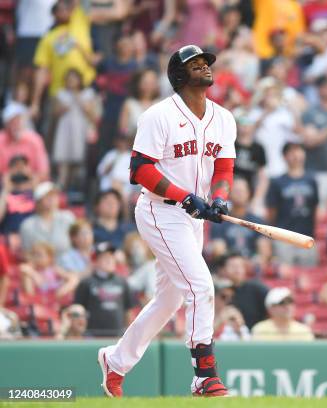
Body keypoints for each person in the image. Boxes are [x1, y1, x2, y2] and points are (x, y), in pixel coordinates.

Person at [97, 45, 235, 398]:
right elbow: (140, 169)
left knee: (169, 300)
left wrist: (219, 198)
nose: (204, 66)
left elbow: (223, 168)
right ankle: (204, 374)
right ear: (178, 75)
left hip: (192, 218)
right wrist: (186, 196)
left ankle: (116, 361)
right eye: (195, 64)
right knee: (201, 286)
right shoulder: (157, 115)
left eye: (206, 62)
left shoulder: (224, 118)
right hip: (160, 211)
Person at [30, 0, 96, 120]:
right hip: (59, 93)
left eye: (67, 7)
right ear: (54, 14)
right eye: (60, 9)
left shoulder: (80, 21)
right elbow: (41, 70)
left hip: (84, 90)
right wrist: (35, 102)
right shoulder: (48, 38)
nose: (65, 10)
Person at [266, 143, 319, 266]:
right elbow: (271, 211)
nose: (295, 155)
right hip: (284, 237)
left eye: (298, 151)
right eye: (291, 152)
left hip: (306, 236)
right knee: (285, 275)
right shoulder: (277, 182)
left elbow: (315, 208)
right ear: (284, 157)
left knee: (309, 277)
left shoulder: (312, 180)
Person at [74, 242, 135, 338]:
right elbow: (78, 310)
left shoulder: (122, 282)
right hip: (93, 336)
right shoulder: (86, 283)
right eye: (104, 257)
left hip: (118, 335)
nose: (109, 260)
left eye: (111, 257)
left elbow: (128, 310)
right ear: (95, 261)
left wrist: (128, 333)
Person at [52, 68, 100, 191]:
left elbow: (92, 115)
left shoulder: (87, 93)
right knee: (64, 158)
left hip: (81, 128)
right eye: (69, 79)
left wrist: (78, 99)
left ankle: (77, 188)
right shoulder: (61, 93)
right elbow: (55, 113)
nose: (71, 81)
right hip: (65, 129)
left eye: (74, 79)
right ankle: (62, 185)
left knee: (80, 158)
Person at [210, 178, 264, 259]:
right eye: (236, 191)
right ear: (229, 194)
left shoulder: (258, 221)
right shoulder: (220, 220)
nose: (239, 194)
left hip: (251, 265)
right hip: (229, 265)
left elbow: (264, 249)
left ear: (249, 194)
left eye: (242, 191)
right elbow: (218, 249)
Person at [19, 182, 75, 254]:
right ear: (38, 201)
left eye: (54, 195)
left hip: (67, 264)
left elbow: (77, 246)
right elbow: (26, 253)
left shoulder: (68, 218)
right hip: (39, 264)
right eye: (47, 196)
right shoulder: (28, 225)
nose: (52, 199)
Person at [219, 252, 269, 330]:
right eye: (232, 266)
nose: (237, 269)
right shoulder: (219, 293)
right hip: (228, 337)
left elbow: (273, 304)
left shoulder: (256, 288)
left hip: (256, 336)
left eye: (240, 266)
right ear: (223, 270)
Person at [0, 103, 50, 180]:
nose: (16, 124)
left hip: (32, 183)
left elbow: (44, 172)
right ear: (6, 124)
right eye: (12, 121)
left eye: (19, 120)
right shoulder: (1, 139)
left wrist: (27, 174)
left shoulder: (35, 140)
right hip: (5, 184)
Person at [0, 156, 36, 239]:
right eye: (16, 166)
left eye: (23, 166)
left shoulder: (36, 192)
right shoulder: (3, 192)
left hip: (32, 237)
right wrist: (6, 190)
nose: (20, 169)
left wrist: (34, 186)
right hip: (9, 237)